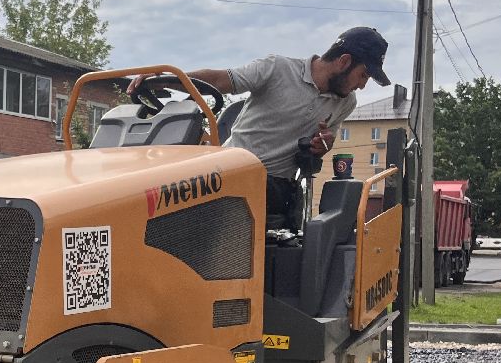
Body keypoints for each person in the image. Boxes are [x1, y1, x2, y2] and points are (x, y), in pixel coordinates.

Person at [131, 27, 391, 230]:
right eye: (364, 76)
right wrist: (165, 80)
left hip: (279, 191)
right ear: (344, 62)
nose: (362, 86)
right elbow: (223, 79)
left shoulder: (347, 102)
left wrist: (322, 144)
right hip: (231, 175)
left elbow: (325, 141)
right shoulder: (277, 68)